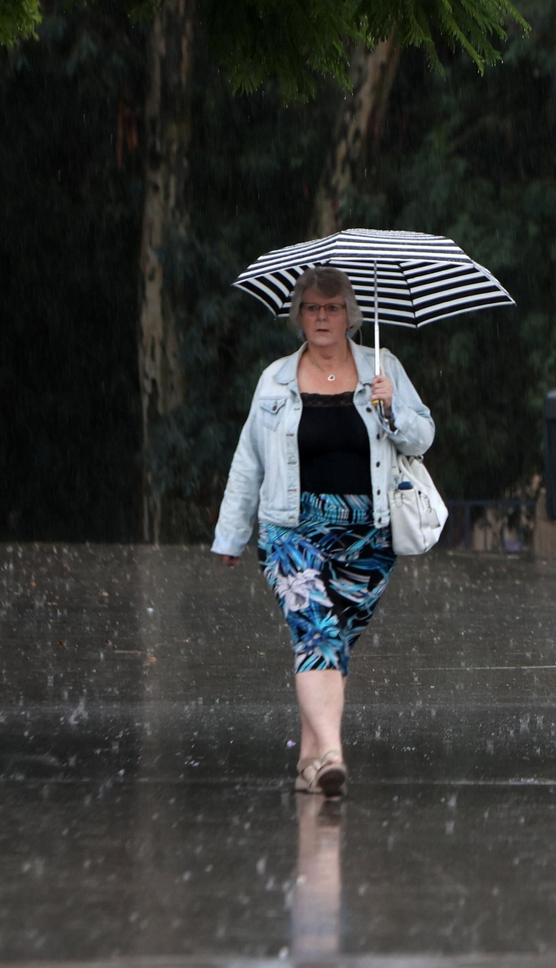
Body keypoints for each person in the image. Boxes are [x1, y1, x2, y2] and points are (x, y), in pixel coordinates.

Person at [212, 266, 433, 797]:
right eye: (312, 308)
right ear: (298, 315)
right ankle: (333, 753)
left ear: (351, 314)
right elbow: (249, 460)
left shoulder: (385, 368)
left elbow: (422, 437)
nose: (323, 317)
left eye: (332, 307)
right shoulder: (276, 379)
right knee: (317, 632)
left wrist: (392, 408)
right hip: (292, 529)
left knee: (335, 645)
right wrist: (230, 533)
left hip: (369, 534)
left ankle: (310, 760)